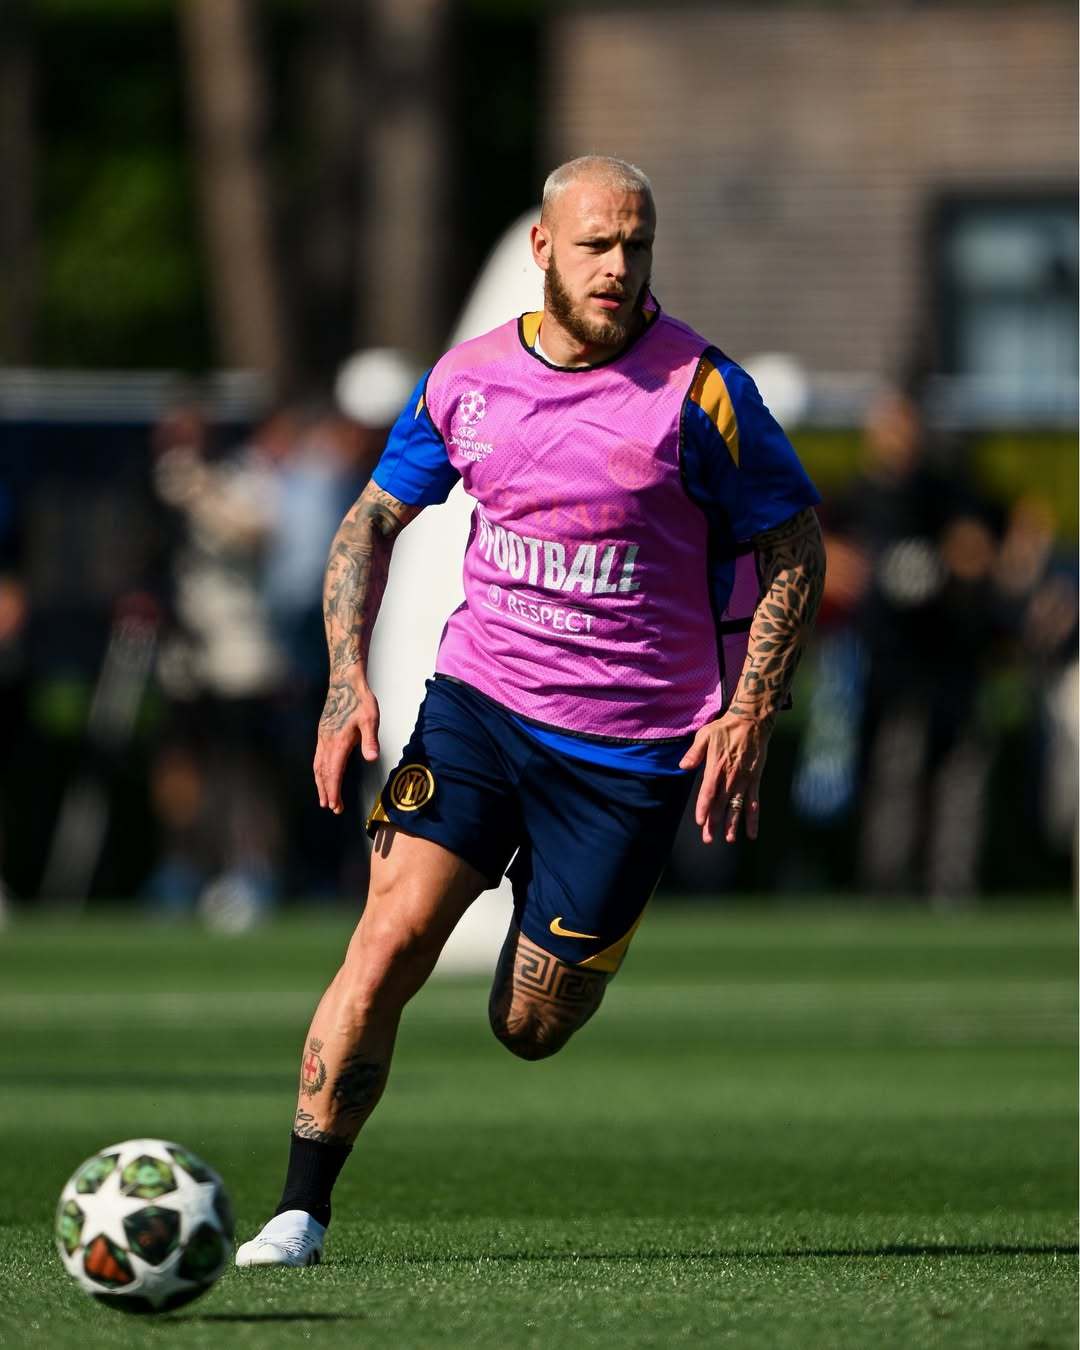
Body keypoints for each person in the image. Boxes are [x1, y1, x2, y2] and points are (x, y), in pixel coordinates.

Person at [236, 156, 825, 1267]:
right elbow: (371, 520)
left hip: (631, 754)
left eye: (637, 245)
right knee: (387, 941)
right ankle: (298, 1213)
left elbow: (795, 544)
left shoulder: (704, 392)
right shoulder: (467, 380)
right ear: (545, 249)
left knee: (530, 1028)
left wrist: (751, 708)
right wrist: (346, 680)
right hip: (481, 709)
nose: (619, 267)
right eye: (597, 244)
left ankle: (551, 903)